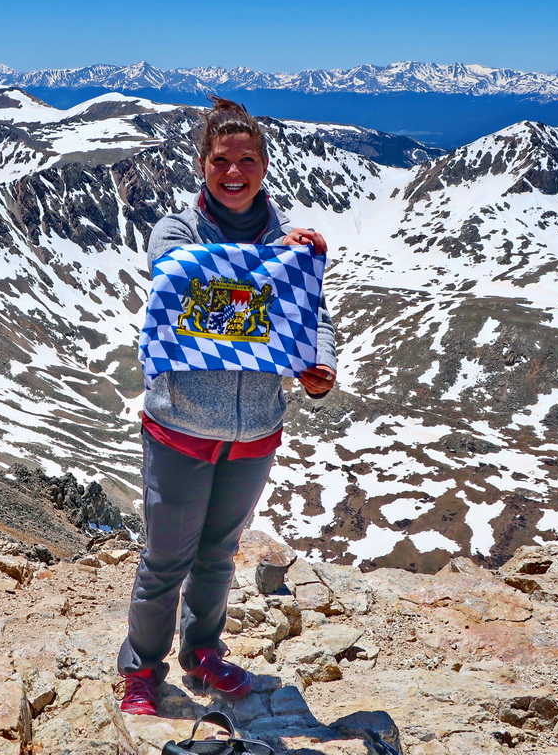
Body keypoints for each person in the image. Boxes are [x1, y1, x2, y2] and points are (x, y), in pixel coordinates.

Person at [116, 96, 338, 715]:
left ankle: (203, 653)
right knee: (166, 558)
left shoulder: (287, 241)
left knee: (218, 554)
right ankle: (140, 669)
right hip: (180, 425)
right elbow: (185, 282)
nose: (233, 171)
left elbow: (312, 315)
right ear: (202, 164)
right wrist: (283, 266)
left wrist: (319, 364)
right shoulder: (177, 231)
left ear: (264, 165)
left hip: (255, 430)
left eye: (246, 159)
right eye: (220, 159)